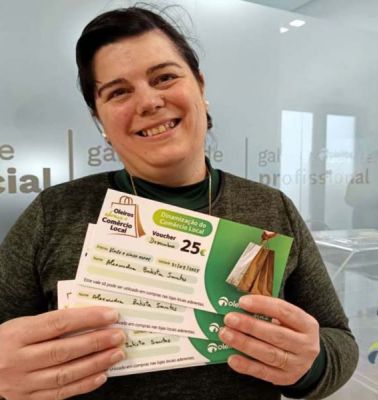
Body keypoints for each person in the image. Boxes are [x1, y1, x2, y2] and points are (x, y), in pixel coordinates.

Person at [0, 6, 358, 400]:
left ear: (200, 87)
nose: (149, 102)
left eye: (164, 77)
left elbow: (339, 340)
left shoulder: (272, 208)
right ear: (99, 119)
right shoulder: (54, 213)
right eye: (118, 92)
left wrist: (311, 365)